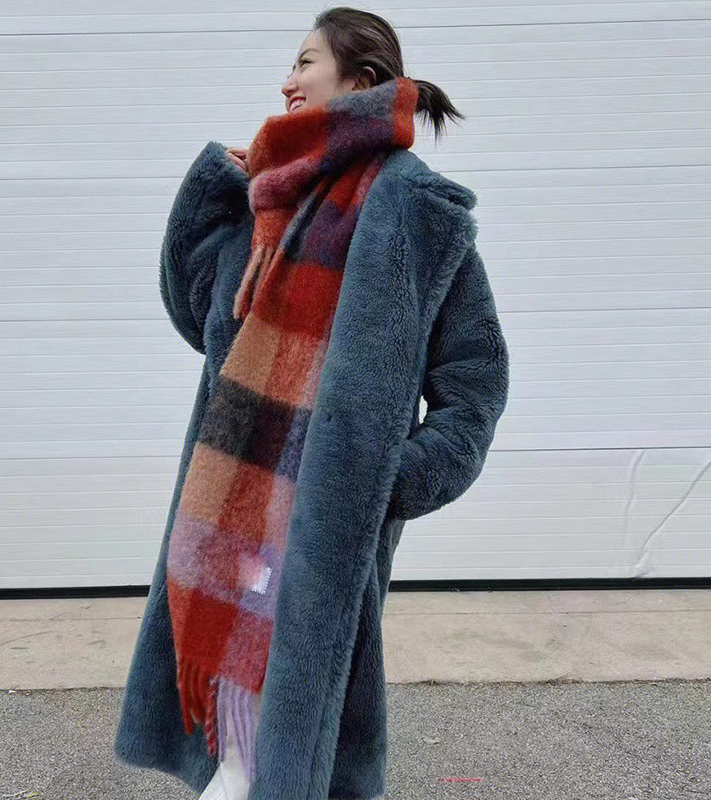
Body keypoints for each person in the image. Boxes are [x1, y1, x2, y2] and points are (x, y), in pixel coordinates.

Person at [114, 8, 510, 800]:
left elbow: (476, 381)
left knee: (288, 716)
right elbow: (200, 314)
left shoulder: (415, 211)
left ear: (359, 78)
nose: (287, 81)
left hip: (324, 511)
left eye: (305, 62)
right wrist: (218, 187)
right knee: (242, 712)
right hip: (236, 494)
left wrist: (385, 480)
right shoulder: (275, 197)